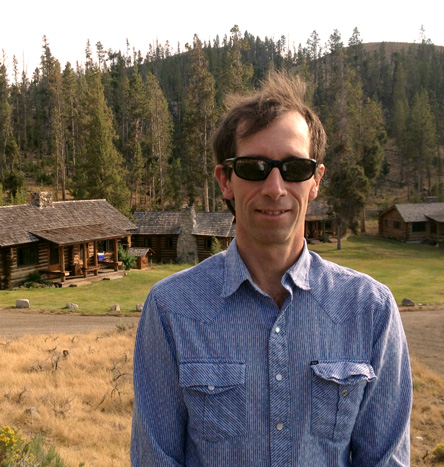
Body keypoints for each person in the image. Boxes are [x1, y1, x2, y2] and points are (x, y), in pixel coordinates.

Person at [131, 71, 412, 466]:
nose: (275, 188)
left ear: (315, 181)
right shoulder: (171, 309)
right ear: (225, 180)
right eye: (254, 167)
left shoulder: (371, 309)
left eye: (295, 168)